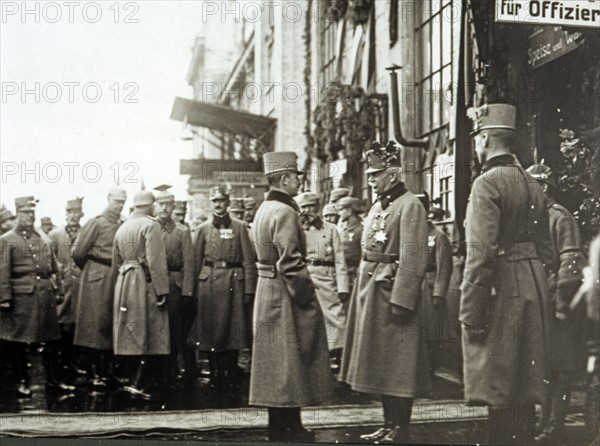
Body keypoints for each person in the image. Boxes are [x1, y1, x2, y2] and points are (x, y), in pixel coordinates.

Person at [460, 103, 556, 445]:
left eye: (476, 138)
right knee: (525, 383)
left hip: (501, 288)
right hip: (533, 284)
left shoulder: (487, 184)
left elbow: (480, 253)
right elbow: (547, 249)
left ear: (484, 139)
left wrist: (470, 310)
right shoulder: (533, 184)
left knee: (498, 383)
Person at [340, 141, 430, 443]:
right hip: (370, 291)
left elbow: (414, 256)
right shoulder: (380, 205)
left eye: (376, 174)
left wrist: (402, 299)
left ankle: (400, 427)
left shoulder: (410, 205)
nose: (370, 179)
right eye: (370, 173)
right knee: (380, 363)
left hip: (391, 293)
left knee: (398, 366)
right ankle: (387, 422)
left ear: (392, 174)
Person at [251, 151, 333, 442]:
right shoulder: (285, 212)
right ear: (284, 178)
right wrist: (306, 294)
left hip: (266, 289)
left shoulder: (264, 209)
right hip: (285, 292)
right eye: (296, 177)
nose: (299, 182)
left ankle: (280, 424)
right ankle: (291, 426)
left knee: (276, 363)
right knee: (291, 360)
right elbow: (290, 262)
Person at [526, 162, 587, 444]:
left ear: (545, 188)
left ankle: (556, 423)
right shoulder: (536, 218)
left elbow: (571, 261)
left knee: (561, 368)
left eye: (534, 185)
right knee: (546, 366)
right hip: (541, 300)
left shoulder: (559, 217)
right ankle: (545, 419)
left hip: (557, 303)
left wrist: (562, 302)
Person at [0, 196, 74, 396]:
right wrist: (4, 299)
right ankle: (21, 382)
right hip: (21, 298)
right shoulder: (7, 240)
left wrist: (58, 291)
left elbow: (53, 268)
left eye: (32, 213)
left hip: (44, 296)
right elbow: (3, 272)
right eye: (25, 213)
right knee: (18, 342)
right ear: (18, 214)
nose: (29, 217)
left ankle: (54, 381)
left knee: (51, 340)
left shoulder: (42, 238)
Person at [189, 186, 256, 388]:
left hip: (233, 283)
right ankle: (215, 371)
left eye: (222, 200)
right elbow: (195, 261)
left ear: (228, 202)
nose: (219, 204)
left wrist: (249, 289)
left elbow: (249, 260)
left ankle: (230, 369)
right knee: (210, 329)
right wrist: (191, 291)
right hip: (208, 284)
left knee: (233, 328)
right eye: (215, 201)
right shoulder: (202, 229)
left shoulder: (240, 227)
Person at [112, 189, 170, 398]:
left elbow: (115, 260)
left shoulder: (123, 227)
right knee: (149, 331)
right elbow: (156, 261)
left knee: (131, 331)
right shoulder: (150, 225)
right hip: (143, 281)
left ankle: (132, 379)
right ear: (151, 205)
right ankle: (142, 383)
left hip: (124, 279)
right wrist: (162, 290)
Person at [72, 187, 127, 390]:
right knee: (95, 324)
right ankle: (94, 373)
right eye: (116, 201)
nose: (119, 205)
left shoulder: (122, 223)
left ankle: (108, 372)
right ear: (108, 200)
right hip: (97, 276)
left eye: (123, 202)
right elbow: (78, 252)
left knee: (111, 323)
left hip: (114, 276)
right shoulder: (96, 223)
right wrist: (92, 271)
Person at [296, 192, 349, 375]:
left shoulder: (331, 229)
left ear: (318, 207)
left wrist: (343, 287)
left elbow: (340, 260)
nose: (307, 211)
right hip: (304, 276)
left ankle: (337, 354)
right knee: (306, 317)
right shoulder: (297, 228)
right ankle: (309, 355)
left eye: (311, 206)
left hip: (327, 277)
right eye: (304, 207)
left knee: (336, 317)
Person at [154, 185, 196, 383]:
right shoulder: (149, 228)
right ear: (155, 206)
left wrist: (187, 291)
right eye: (161, 204)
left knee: (173, 329)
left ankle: (172, 369)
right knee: (155, 328)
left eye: (168, 205)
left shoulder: (182, 231)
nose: (164, 208)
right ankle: (157, 371)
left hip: (173, 284)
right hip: (153, 284)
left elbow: (189, 263)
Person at [416, 194, 453, 383]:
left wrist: (438, 293)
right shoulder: (408, 232)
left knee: (432, 333)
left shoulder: (438, 236)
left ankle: (430, 375)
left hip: (429, 291)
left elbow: (444, 266)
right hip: (413, 288)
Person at [49, 197, 86, 381]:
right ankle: (60, 364)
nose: (73, 216)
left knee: (77, 324)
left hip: (80, 285)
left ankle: (72, 363)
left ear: (81, 214)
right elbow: (50, 259)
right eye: (70, 212)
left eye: (76, 212)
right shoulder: (55, 235)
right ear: (65, 214)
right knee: (61, 324)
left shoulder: (85, 233)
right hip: (62, 286)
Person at [336, 197, 364, 291]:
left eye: (341, 210)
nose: (339, 213)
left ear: (349, 211)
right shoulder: (343, 228)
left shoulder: (361, 229)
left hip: (356, 275)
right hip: (343, 274)